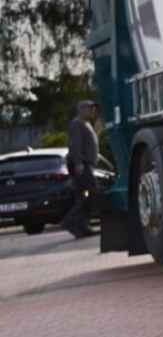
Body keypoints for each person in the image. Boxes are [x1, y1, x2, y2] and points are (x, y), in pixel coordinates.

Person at [60, 99, 100, 239]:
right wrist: (78, 163)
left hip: (86, 164)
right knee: (91, 193)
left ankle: (81, 226)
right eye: (89, 108)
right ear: (81, 109)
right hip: (82, 165)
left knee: (85, 195)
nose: (92, 111)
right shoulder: (77, 124)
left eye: (92, 108)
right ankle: (70, 221)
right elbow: (75, 145)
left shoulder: (86, 124)